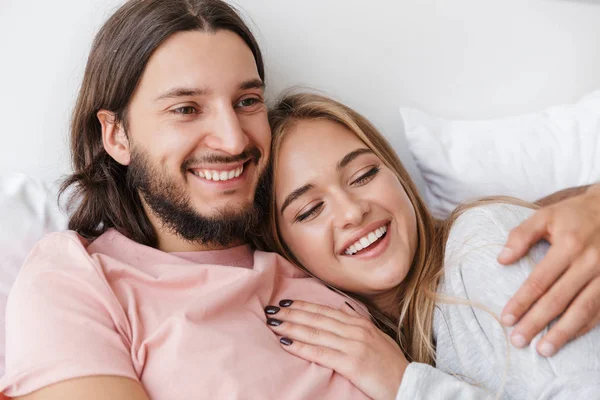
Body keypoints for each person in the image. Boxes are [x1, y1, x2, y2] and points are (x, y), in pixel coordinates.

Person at [0, 0, 599, 399]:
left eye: (247, 100)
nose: (233, 139)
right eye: (186, 108)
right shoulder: (80, 275)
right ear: (117, 135)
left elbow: (471, 242)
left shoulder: (326, 267)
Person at [263, 92, 600, 399]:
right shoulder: (377, 342)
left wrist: (406, 385)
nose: (352, 211)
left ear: (397, 174)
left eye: (364, 175)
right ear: (285, 253)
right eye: (310, 210)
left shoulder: (484, 243)